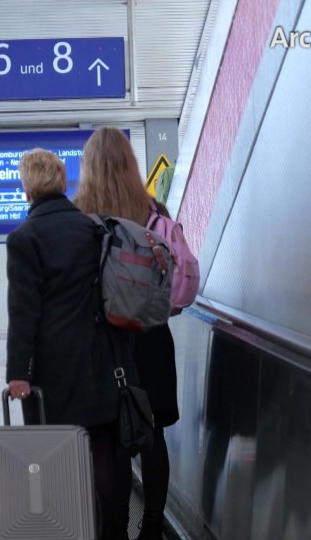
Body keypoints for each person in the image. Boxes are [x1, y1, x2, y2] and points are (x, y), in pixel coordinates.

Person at [5, 148, 136, 540]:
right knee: (107, 453)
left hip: (56, 371)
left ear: (27, 189)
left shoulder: (24, 239)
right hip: (106, 361)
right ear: (64, 184)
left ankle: (70, 529)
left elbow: (24, 312)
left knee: (58, 455)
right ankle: (114, 532)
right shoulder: (96, 229)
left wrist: (18, 374)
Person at [74, 126, 181, 540]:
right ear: (131, 164)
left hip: (105, 342)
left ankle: (113, 530)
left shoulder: (78, 215)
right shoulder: (155, 210)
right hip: (152, 333)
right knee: (154, 433)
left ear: (88, 168)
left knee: (110, 438)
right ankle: (152, 527)